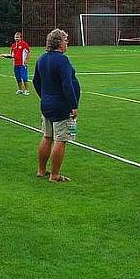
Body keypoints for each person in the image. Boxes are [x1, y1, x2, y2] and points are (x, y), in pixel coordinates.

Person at [32, 29, 80, 183]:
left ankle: (41, 170)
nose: (67, 43)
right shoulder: (62, 60)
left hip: (46, 105)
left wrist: (44, 96)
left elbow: (35, 81)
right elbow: (67, 84)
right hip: (61, 107)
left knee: (47, 136)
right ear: (59, 42)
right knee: (61, 139)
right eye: (66, 40)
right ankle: (55, 175)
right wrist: (73, 105)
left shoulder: (41, 59)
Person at [0, 31, 31, 95]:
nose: (16, 38)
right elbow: (12, 55)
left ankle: (27, 90)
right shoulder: (13, 45)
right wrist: (5, 56)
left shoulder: (24, 44)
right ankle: (20, 89)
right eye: (15, 37)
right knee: (18, 78)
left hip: (22, 64)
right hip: (15, 64)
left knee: (24, 77)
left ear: (20, 38)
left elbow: (29, 52)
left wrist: (26, 60)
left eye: (18, 37)